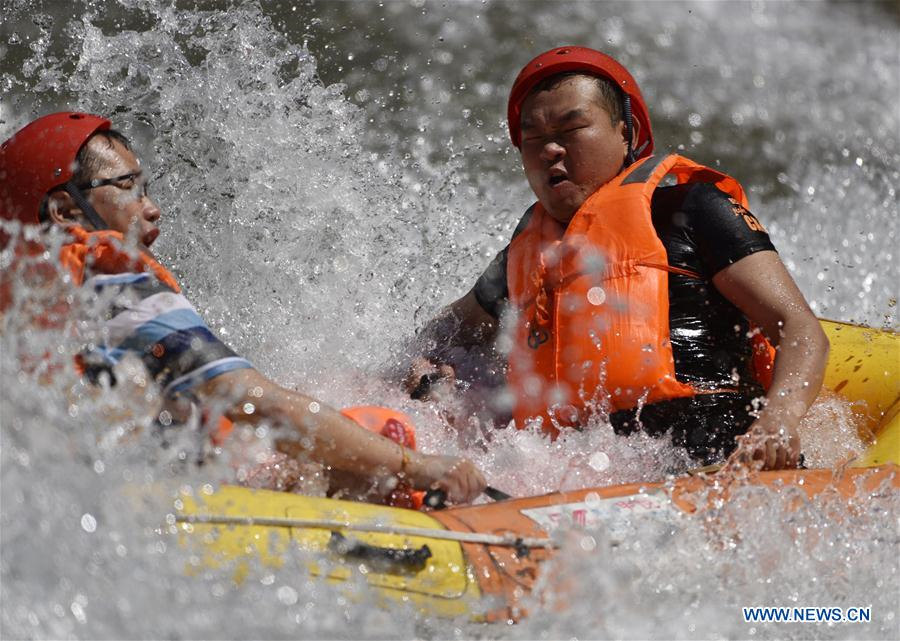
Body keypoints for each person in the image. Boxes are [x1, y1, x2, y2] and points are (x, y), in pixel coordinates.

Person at [0, 111, 486, 505]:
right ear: (64, 210)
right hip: (158, 515)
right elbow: (256, 402)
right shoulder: (119, 286)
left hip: (80, 500)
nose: (152, 209)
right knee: (383, 429)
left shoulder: (25, 296)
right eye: (128, 186)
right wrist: (422, 468)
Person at [408, 47, 829, 470]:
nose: (549, 149)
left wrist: (780, 417)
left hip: (709, 450)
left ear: (625, 132)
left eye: (572, 128)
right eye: (532, 137)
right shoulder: (522, 257)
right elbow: (452, 328)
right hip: (572, 472)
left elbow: (798, 327)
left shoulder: (693, 209)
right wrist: (429, 358)